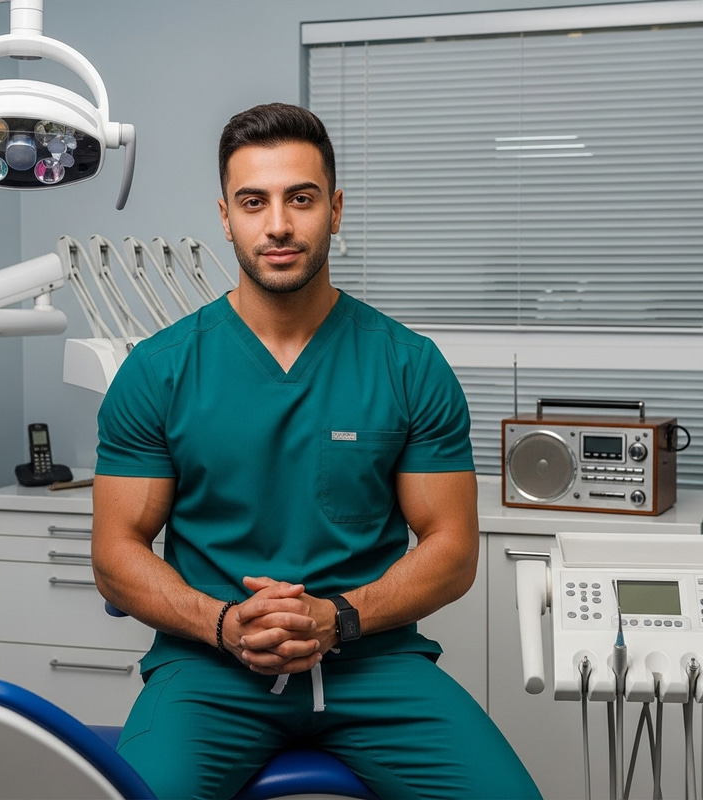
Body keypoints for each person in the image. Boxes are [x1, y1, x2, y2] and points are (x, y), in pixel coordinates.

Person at [92, 102, 541, 800]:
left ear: (334, 209)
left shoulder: (407, 366)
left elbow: (452, 550)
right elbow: (116, 554)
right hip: (210, 673)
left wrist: (341, 619)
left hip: (375, 664)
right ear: (224, 216)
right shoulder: (159, 371)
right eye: (253, 202)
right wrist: (221, 624)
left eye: (300, 199)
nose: (277, 224)